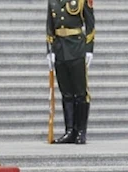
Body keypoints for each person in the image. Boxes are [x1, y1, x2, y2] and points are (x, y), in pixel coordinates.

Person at [46, 0, 95, 144]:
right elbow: (49, 26)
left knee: (80, 93)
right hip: (60, 49)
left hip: (76, 48)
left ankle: (80, 132)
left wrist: (89, 49)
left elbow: (90, 24)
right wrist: (49, 50)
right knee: (66, 93)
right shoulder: (53, 1)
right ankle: (69, 131)